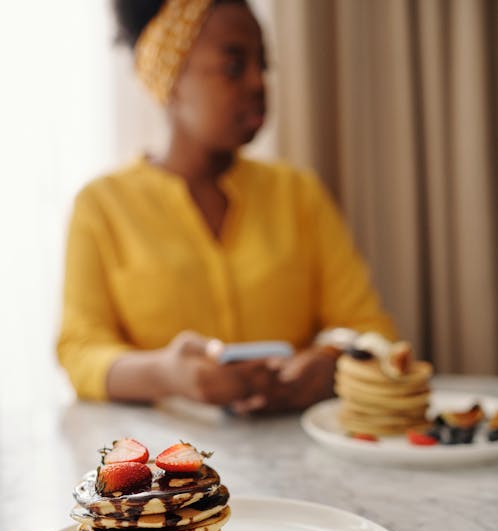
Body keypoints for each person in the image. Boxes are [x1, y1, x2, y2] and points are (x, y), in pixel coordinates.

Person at [57, 0, 397, 414]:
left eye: (264, 65)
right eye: (234, 66)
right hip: (162, 468)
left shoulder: (299, 194)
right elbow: (80, 350)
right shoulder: (101, 206)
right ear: (171, 78)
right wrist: (165, 373)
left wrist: (330, 364)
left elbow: (371, 329)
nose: (259, 83)